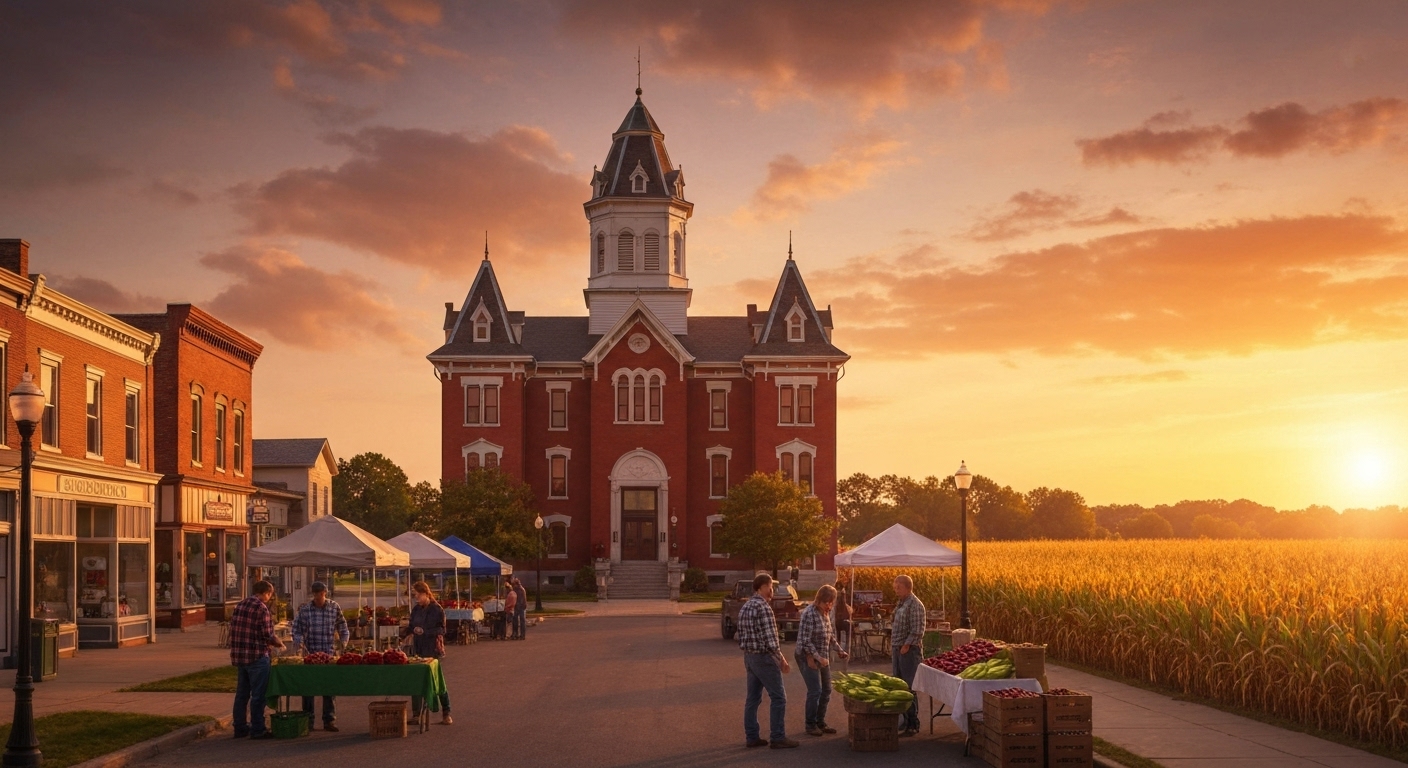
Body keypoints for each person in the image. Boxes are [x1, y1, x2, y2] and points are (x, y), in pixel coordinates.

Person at [737, 572, 797, 749]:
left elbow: (740, 635)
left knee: (753, 699)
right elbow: (771, 640)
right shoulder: (763, 608)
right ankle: (778, 737)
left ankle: (752, 737)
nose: (772, 590)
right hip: (764, 657)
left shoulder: (746, 606)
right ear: (761, 587)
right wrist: (782, 660)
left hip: (749, 656)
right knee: (778, 697)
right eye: (770, 587)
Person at [229, 580, 285, 740]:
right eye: (270, 594)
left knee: (241, 694)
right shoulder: (261, 608)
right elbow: (267, 635)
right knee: (258, 695)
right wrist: (279, 643)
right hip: (256, 656)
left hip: (240, 656)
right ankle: (257, 728)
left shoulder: (240, 605)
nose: (270, 597)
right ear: (266, 593)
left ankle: (239, 727)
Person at [291, 581, 349, 732]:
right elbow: (296, 629)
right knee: (308, 689)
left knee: (329, 687)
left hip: (328, 653)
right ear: (313, 594)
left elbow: (343, 627)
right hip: (310, 653)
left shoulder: (334, 607)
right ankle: (308, 719)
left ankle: (329, 719)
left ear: (325, 593)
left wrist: (343, 642)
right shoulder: (305, 610)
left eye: (321, 593)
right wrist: (299, 643)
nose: (318, 596)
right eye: (315, 593)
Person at [795, 584, 849, 736]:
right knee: (815, 690)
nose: (829, 606)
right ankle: (810, 724)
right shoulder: (809, 614)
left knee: (827, 689)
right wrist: (815, 657)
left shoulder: (826, 614)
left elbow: (830, 635)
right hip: (806, 655)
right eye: (827, 602)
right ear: (819, 600)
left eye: (831, 603)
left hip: (823, 655)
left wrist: (840, 650)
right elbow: (805, 641)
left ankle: (820, 721)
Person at [403, 582, 453, 725]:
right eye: (414, 596)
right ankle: (416, 714)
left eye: (418, 595)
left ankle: (446, 712)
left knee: (437, 680)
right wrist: (406, 635)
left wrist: (426, 632)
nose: (416, 598)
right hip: (418, 649)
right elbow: (411, 626)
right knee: (416, 680)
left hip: (433, 650)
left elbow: (442, 630)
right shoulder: (416, 610)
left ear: (426, 593)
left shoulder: (437, 610)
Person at [890, 574, 926, 736]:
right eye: (895, 587)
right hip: (897, 648)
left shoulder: (915, 605)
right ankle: (905, 720)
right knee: (899, 685)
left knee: (909, 686)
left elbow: (917, 630)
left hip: (908, 651)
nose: (896, 590)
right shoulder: (901, 603)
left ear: (907, 587)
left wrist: (906, 645)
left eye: (898, 587)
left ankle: (913, 722)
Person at [834, 587, 853, 652]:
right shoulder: (843, 605)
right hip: (843, 622)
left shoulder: (836, 605)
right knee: (849, 630)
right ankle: (847, 646)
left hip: (838, 622)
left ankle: (839, 646)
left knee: (838, 634)